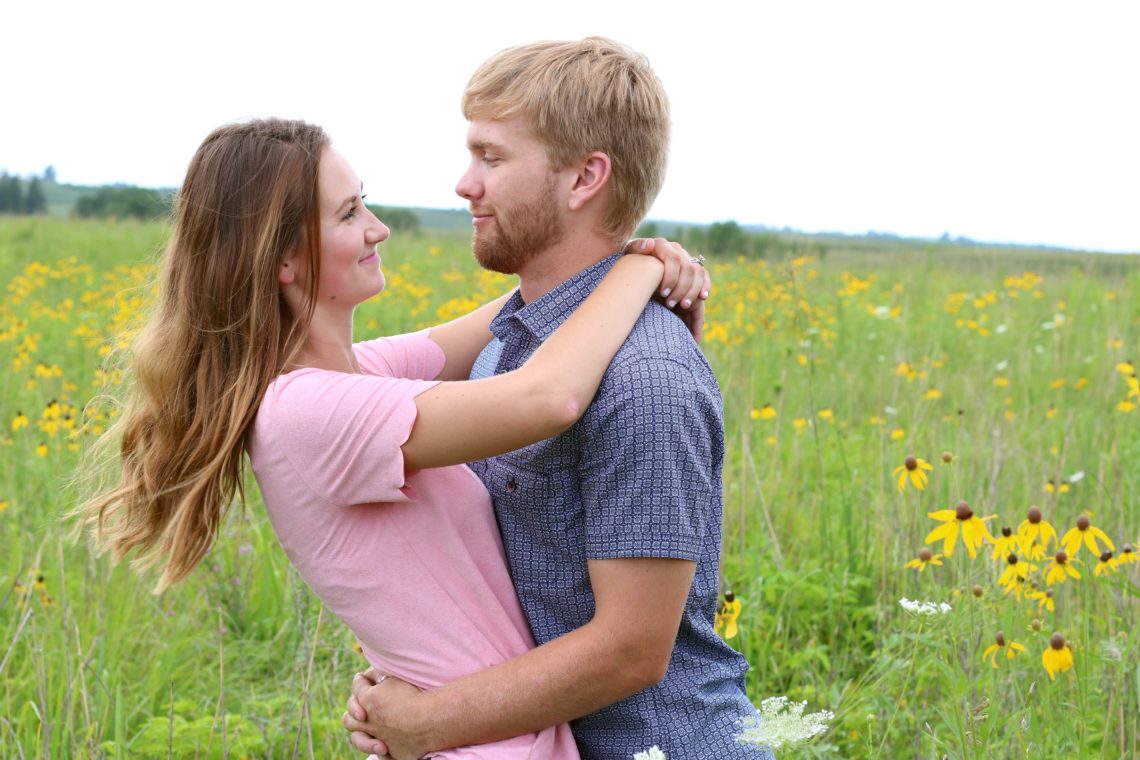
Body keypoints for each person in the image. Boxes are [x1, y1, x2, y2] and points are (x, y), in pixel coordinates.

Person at [74, 118, 709, 759]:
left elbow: (522, 307)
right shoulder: (307, 411)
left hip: (486, 733)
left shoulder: (356, 375)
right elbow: (547, 397)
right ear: (283, 260)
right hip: (479, 743)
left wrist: (623, 265)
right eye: (349, 214)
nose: (378, 229)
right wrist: (639, 267)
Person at [343, 37, 771, 759]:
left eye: (493, 157)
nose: (464, 183)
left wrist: (429, 723)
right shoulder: (511, 337)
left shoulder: (647, 382)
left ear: (584, 179)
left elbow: (632, 650)